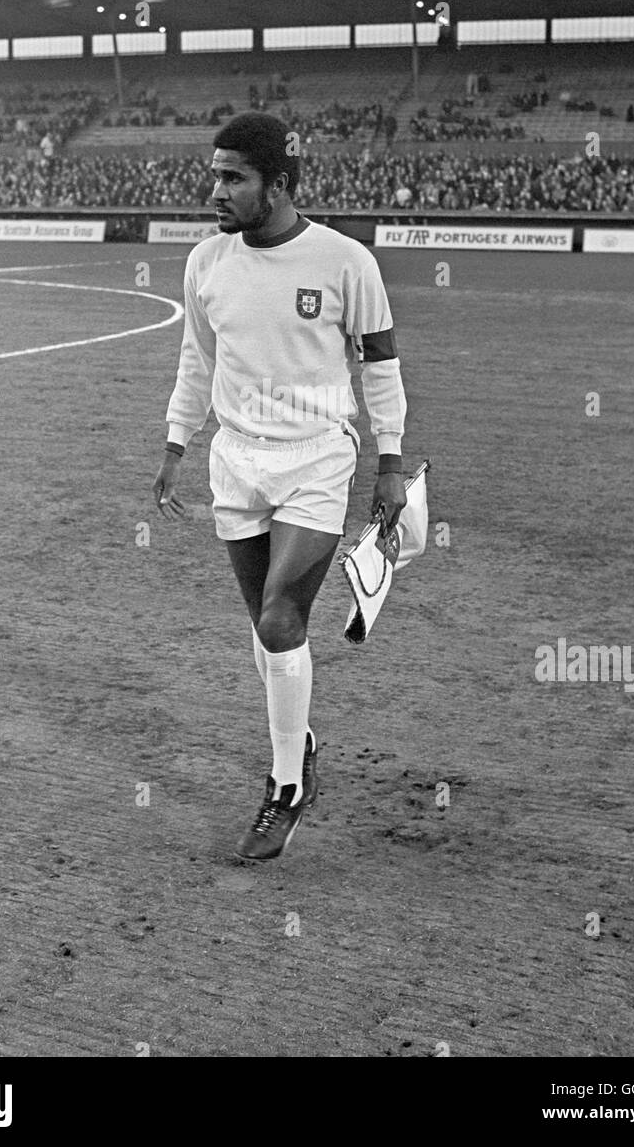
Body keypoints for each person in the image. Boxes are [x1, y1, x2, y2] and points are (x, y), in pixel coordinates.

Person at [153, 112, 408, 861]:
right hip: (235, 461)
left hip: (317, 460)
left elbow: (381, 366)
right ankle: (301, 741)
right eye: (214, 174)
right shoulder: (206, 262)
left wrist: (389, 464)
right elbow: (196, 359)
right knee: (264, 634)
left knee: (279, 619)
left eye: (234, 178)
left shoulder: (345, 261)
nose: (216, 191)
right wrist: (177, 442)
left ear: (281, 185)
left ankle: (286, 787)